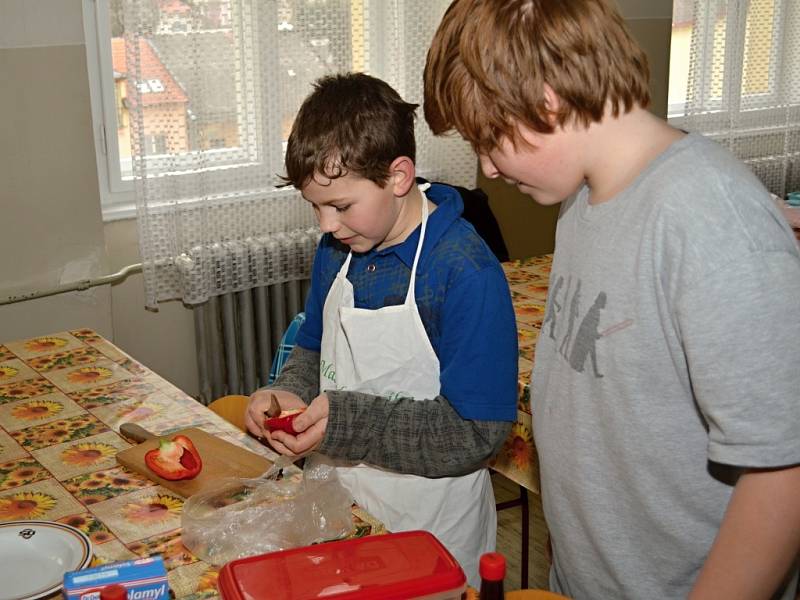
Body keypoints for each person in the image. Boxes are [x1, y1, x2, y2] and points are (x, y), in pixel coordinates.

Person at [423, 1, 800, 599]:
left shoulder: (707, 218)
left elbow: (783, 473)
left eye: (487, 139)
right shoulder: (585, 202)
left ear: (548, 100)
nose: (487, 169)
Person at [244, 72, 518, 586]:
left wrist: (348, 423)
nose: (326, 225)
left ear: (398, 176)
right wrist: (286, 392)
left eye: (341, 205)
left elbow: (475, 435)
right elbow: (312, 347)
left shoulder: (463, 271)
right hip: (338, 509)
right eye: (316, 207)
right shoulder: (340, 248)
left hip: (429, 533)